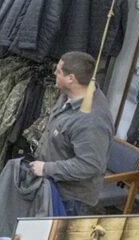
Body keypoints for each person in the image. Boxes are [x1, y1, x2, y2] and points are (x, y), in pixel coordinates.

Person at [30, 51, 114, 215]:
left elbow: (89, 165)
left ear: (71, 78)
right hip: (52, 187)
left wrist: (47, 168)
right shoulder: (69, 95)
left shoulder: (92, 121)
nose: (54, 73)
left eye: (58, 71)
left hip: (70, 200)